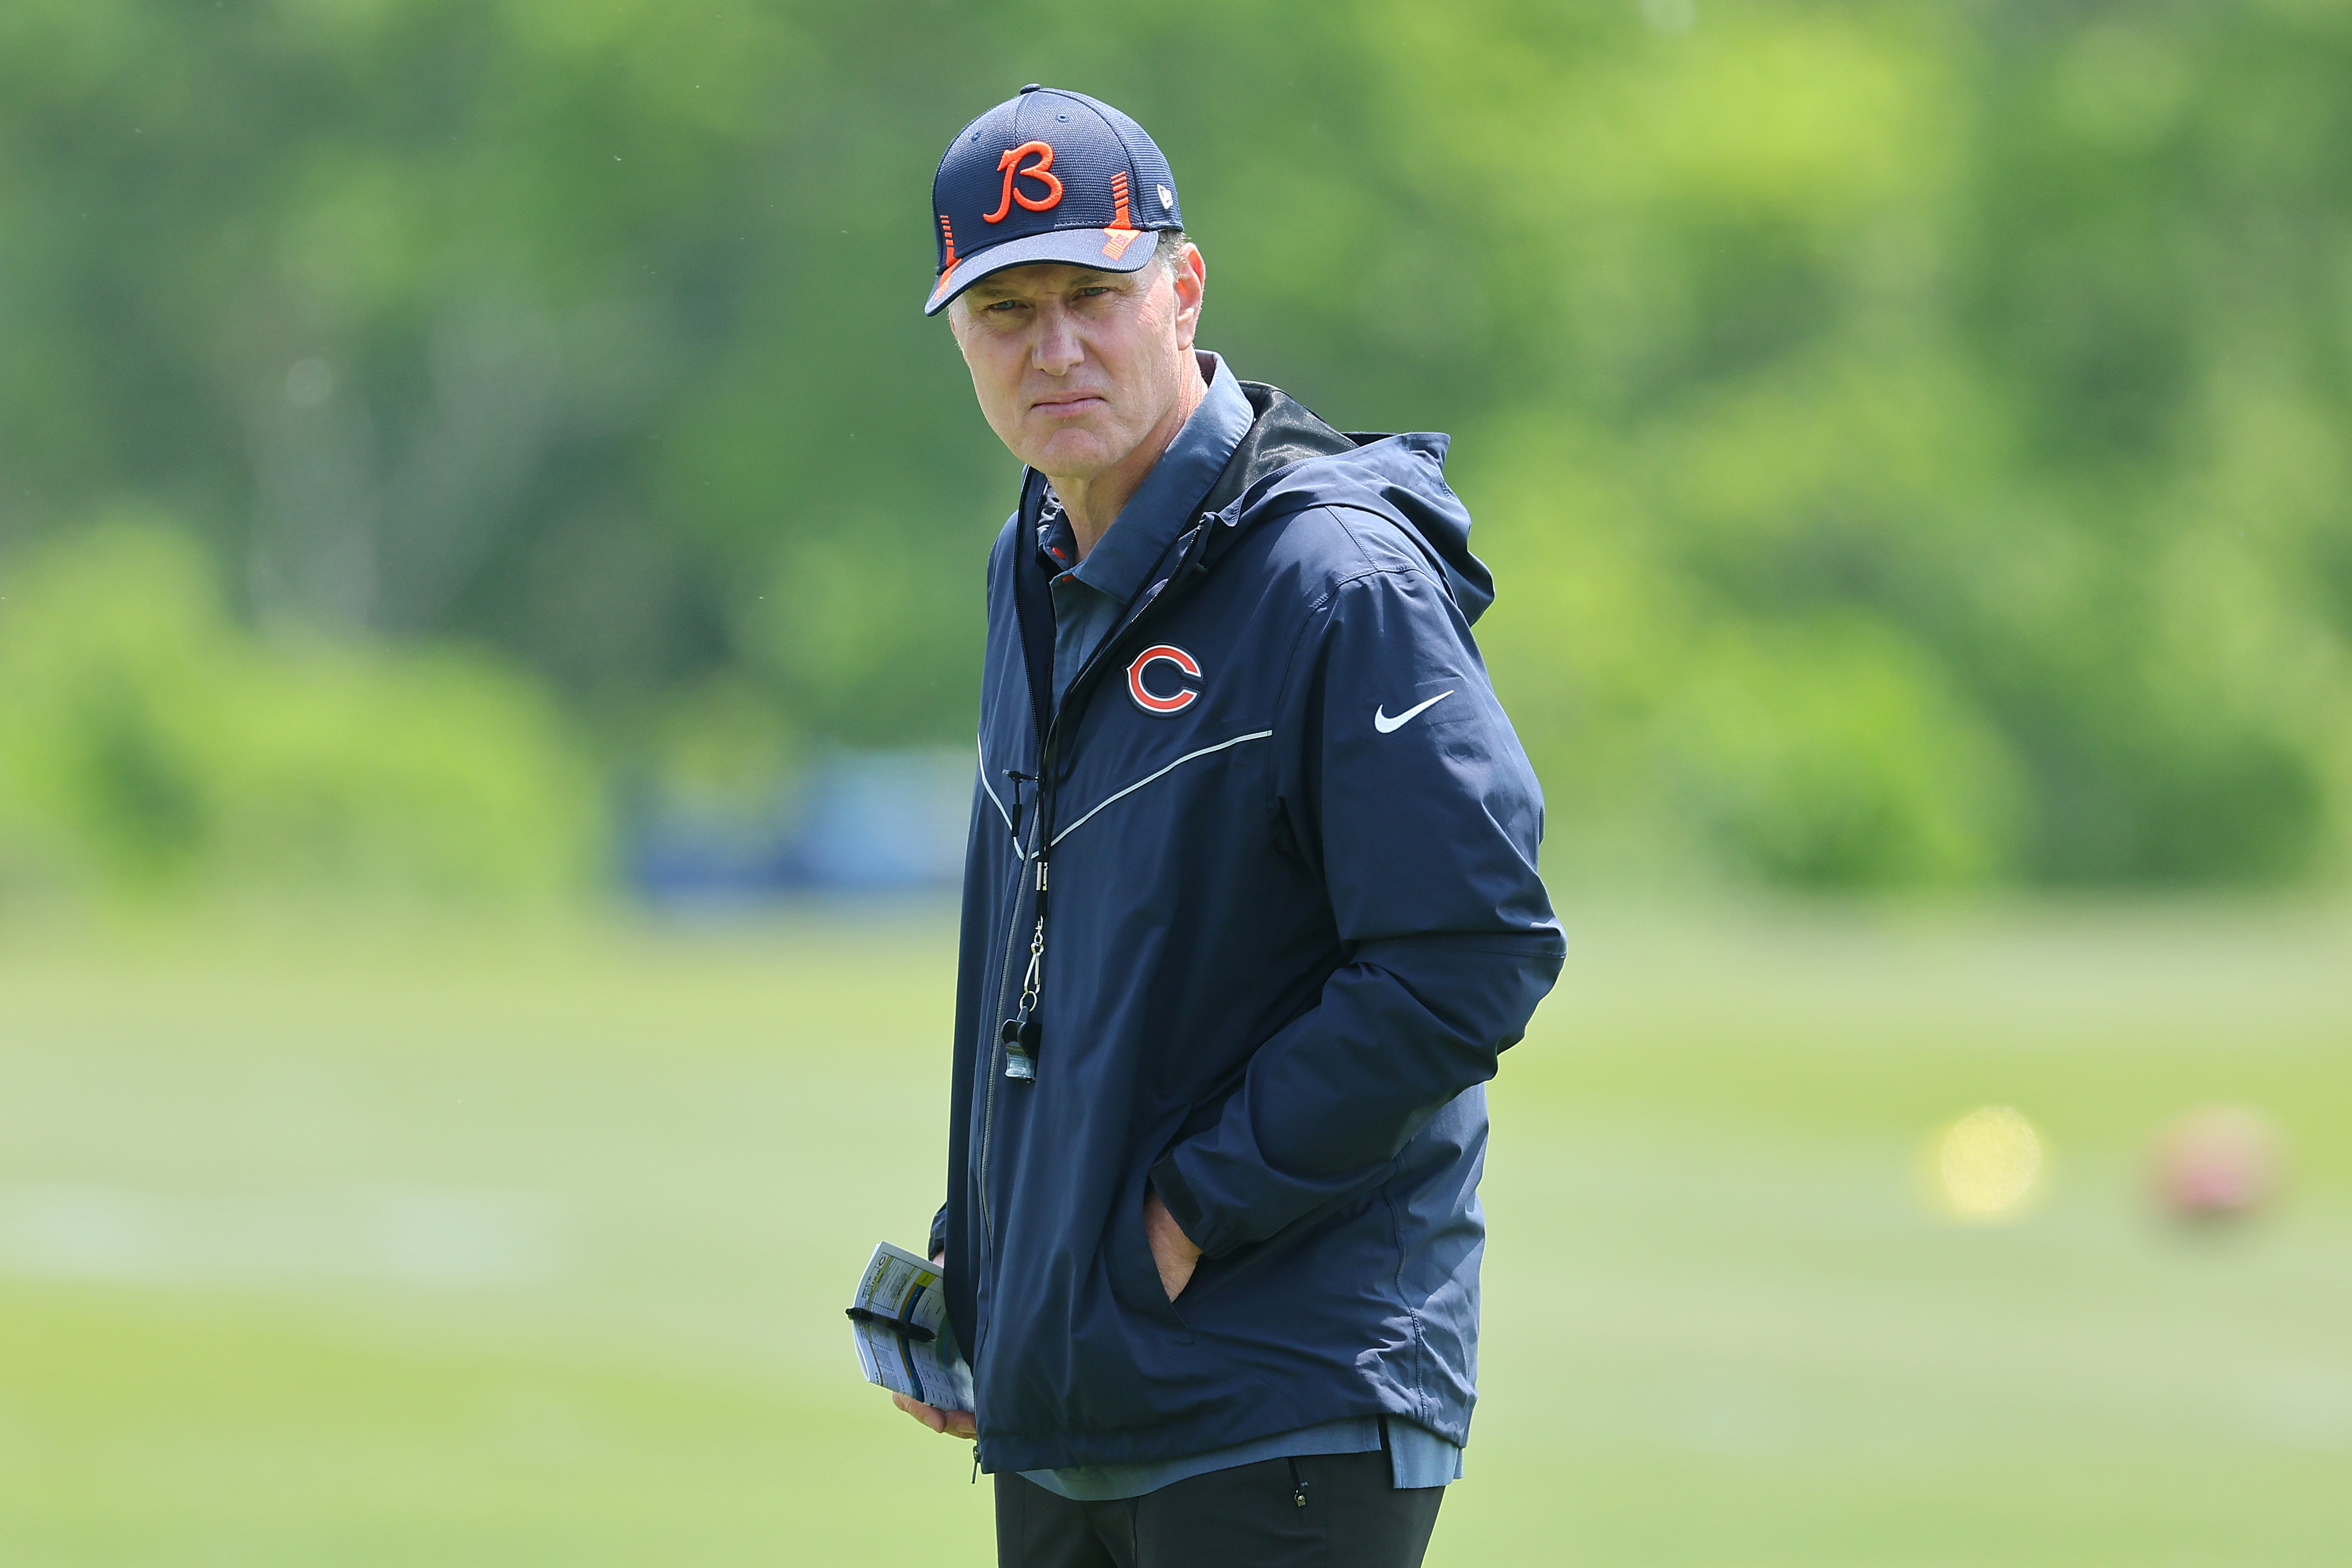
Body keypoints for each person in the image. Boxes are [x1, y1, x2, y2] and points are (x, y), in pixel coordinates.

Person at [892, 84, 1563, 1568]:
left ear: (1181, 288)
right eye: (1005, 311)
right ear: (955, 332)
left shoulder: (1332, 578)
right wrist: (1003, 1257)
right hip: (1085, 1390)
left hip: (1284, 1398)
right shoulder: (1035, 551)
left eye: (1092, 295)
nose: (1053, 347)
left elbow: (1469, 952)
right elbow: (1065, 949)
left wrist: (1184, 1216)